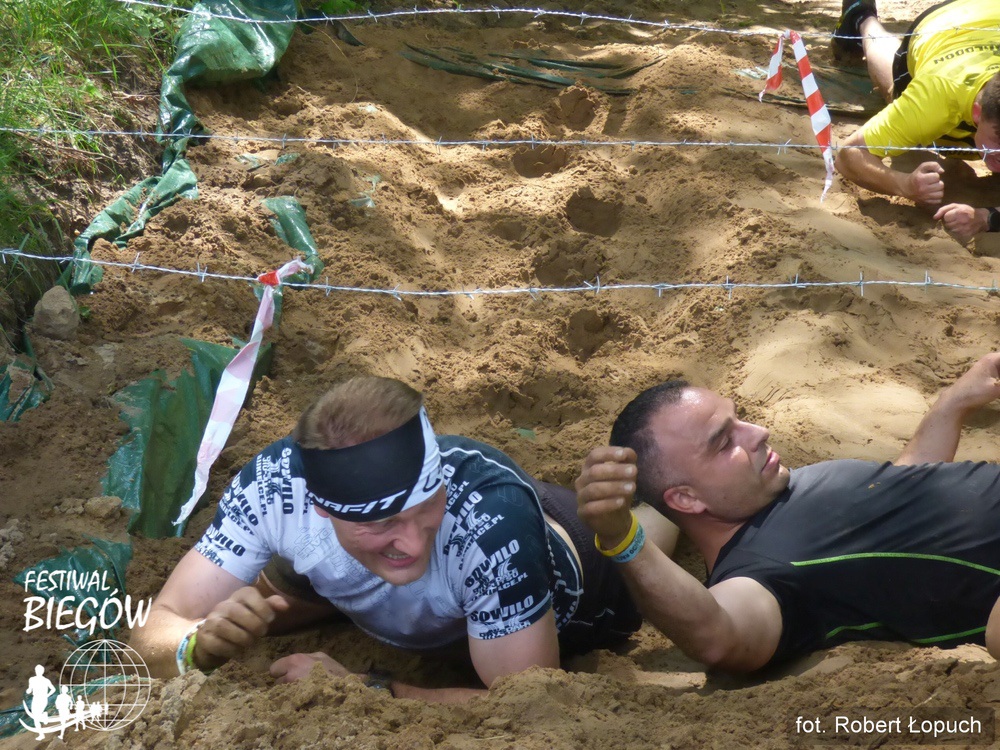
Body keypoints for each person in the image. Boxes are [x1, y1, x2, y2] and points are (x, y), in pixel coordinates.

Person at [130, 376, 675, 701]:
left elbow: (529, 703)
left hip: (572, 568)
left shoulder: (491, 530)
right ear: (320, 508)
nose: (411, 543)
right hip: (371, 573)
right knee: (256, 607)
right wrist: (196, 644)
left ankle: (663, 499)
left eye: (423, 507)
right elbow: (156, 627)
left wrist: (369, 688)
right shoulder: (276, 486)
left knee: (652, 527)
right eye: (381, 522)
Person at [575, 352, 1000, 672]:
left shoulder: (778, 489)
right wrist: (621, 538)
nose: (758, 432)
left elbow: (902, 490)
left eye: (739, 419)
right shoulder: (757, 574)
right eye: (724, 442)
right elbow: (717, 637)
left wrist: (952, 404)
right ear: (686, 500)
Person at [831, 0, 1000, 243]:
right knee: (895, 94)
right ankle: (862, 17)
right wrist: (906, 185)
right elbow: (849, 154)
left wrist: (987, 217)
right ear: (977, 113)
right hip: (943, 25)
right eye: (997, 141)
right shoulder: (935, 98)